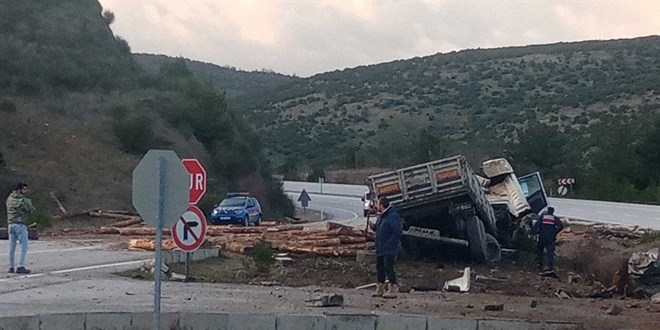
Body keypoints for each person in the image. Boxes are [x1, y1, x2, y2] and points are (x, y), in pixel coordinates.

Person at [369, 196, 403, 298]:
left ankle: (393, 288)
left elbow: (397, 232)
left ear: (382, 205)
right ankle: (380, 288)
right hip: (380, 247)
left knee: (388, 267)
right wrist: (374, 227)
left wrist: (390, 243)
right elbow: (381, 228)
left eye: (378, 204)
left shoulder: (393, 216)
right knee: (380, 267)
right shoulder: (382, 216)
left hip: (389, 248)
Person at [6, 182, 35, 274]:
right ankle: (20, 266)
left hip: (10, 224)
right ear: (20, 190)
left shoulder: (9, 199)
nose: (26, 191)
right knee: (24, 246)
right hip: (20, 224)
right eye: (24, 189)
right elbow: (31, 210)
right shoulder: (24, 200)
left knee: (12, 247)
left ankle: (11, 266)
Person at [530, 206, 563, 275]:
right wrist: (555, 232)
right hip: (550, 238)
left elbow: (537, 225)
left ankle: (540, 263)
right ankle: (549, 266)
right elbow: (561, 225)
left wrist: (533, 232)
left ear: (547, 211)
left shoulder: (542, 217)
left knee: (540, 250)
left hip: (542, 236)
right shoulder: (554, 218)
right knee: (550, 252)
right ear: (553, 212)